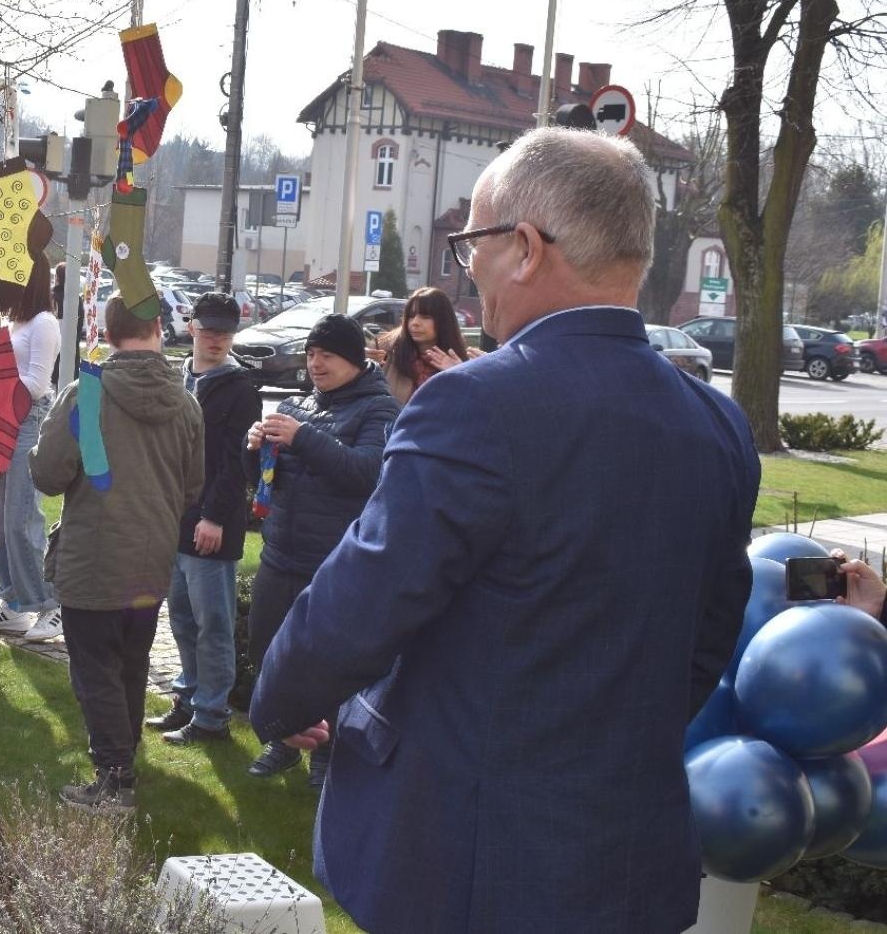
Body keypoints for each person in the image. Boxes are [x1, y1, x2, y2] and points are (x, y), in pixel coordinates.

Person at [249, 128, 760, 933]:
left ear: (523, 246)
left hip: (467, 862)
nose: (467, 272)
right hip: (627, 858)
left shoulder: (474, 404)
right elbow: (706, 638)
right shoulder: (717, 424)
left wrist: (279, 700)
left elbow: (359, 604)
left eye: (471, 245)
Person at [32, 296, 203, 810]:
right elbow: (192, 485)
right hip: (151, 561)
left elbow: (47, 473)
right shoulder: (187, 402)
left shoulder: (87, 395)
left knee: (97, 672)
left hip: (96, 558)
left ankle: (114, 779)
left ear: (108, 332)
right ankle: (124, 762)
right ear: (157, 327)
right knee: (130, 663)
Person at [242, 313, 399, 788]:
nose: (315, 363)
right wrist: (254, 452)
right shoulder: (300, 403)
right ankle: (284, 739)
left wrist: (302, 438)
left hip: (333, 561)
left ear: (352, 359)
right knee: (272, 651)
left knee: (330, 661)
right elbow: (265, 487)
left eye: (327, 354)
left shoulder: (379, 410)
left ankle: (328, 752)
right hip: (281, 555)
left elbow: (368, 472)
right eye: (311, 354)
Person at [145, 292, 260, 745]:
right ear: (191, 328)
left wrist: (214, 517)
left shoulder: (240, 388)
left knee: (213, 622)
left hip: (214, 522)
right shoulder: (180, 379)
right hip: (176, 516)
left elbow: (236, 465)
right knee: (182, 618)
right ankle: (189, 697)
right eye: (209, 329)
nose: (216, 339)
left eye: (225, 332)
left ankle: (212, 714)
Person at [0, 258, 63, 643]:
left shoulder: (43, 322)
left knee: (21, 517)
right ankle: (12, 601)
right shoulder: (15, 322)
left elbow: (38, 383)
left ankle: (48, 605)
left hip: (27, 419)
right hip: (3, 417)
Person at [375, 285, 480, 406]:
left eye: (425, 317)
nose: (415, 323)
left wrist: (458, 376)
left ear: (443, 321)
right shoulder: (388, 354)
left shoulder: (461, 363)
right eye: (411, 316)